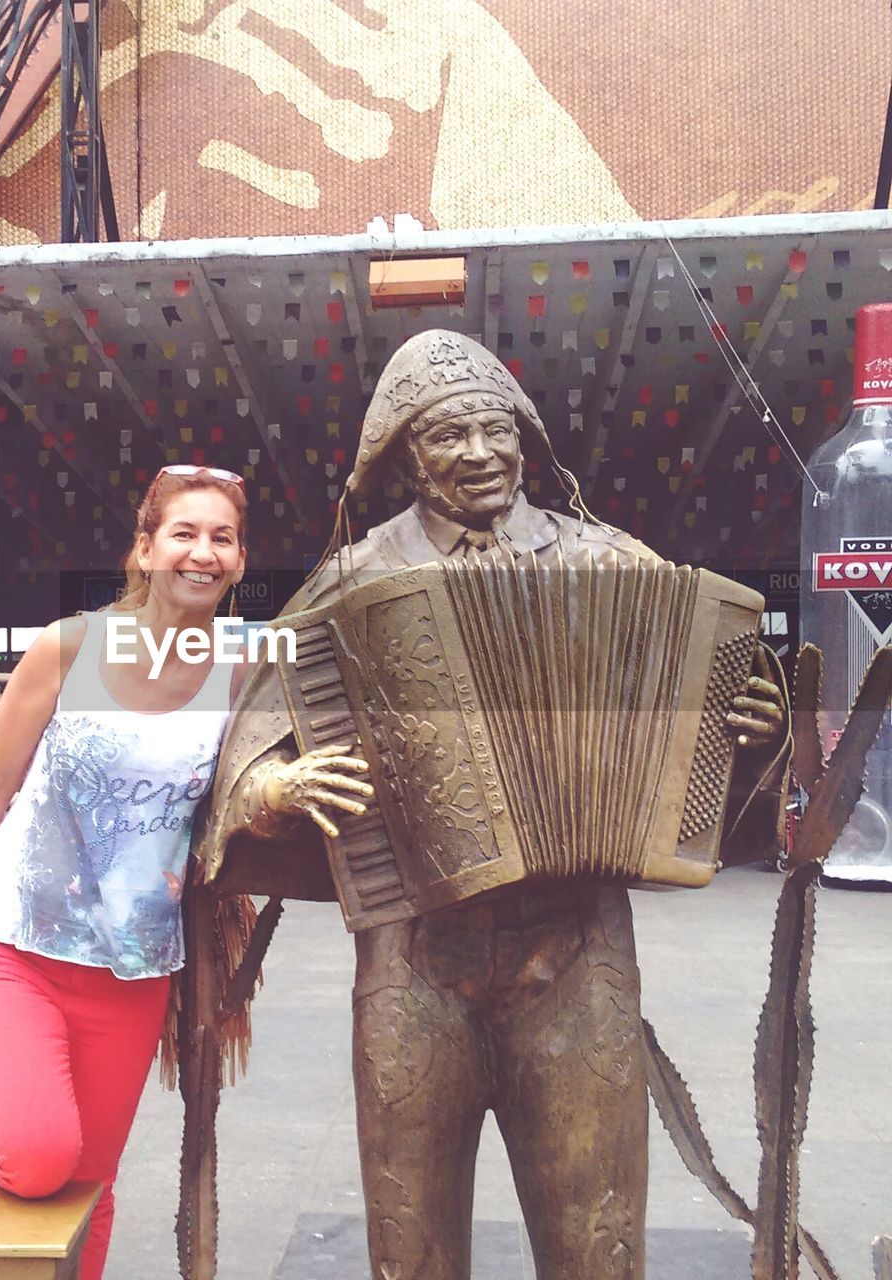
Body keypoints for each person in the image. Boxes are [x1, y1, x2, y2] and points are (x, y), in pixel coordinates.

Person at [197, 331, 787, 1280]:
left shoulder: (608, 561)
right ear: (405, 458)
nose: (476, 453)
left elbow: (707, 719)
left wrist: (753, 727)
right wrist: (269, 787)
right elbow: (253, 737)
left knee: (599, 1244)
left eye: (492, 430)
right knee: (410, 1244)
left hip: (577, 954)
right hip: (414, 959)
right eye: (448, 436)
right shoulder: (352, 579)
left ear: (524, 440)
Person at [0, 465, 250, 1280]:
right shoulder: (69, 647)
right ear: (145, 550)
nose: (201, 553)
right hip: (10, 941)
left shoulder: (243, 668)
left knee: (89, 1186)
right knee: (40, 1157)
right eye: (183, 532)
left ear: (241, 562)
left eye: (222, 538)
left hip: (132, 968)